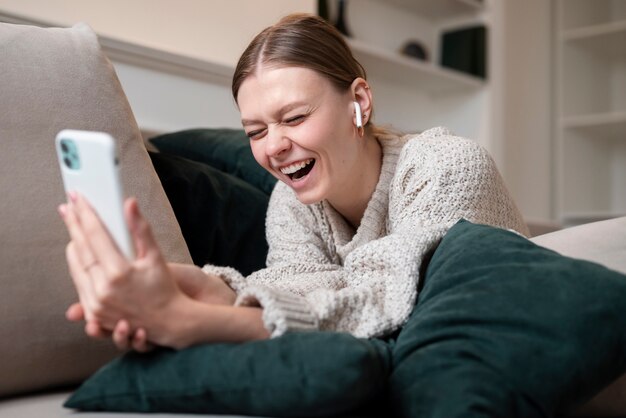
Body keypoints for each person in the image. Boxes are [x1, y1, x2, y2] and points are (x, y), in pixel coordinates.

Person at [59, 13, 529, 352]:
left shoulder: (446, 165)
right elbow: (296, 282)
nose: (275, 147)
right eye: (256, 132)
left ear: (358, 101)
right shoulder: (290, 199)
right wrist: (212, 289)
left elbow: (395, 300)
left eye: (296, 117)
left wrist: (206, 322)